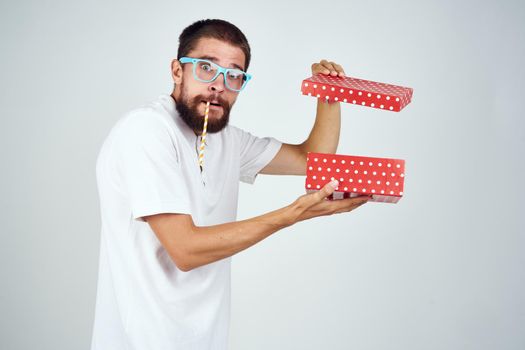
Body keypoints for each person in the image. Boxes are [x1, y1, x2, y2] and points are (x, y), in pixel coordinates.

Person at [91, 18, 369, 350]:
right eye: (206, 68)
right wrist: (293, 214)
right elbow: (185, 249)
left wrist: (329, 94)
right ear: (177, 71)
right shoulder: (145, 131)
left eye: (234, 75)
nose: (219, 85)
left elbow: (313, 158)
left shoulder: (228, 142)